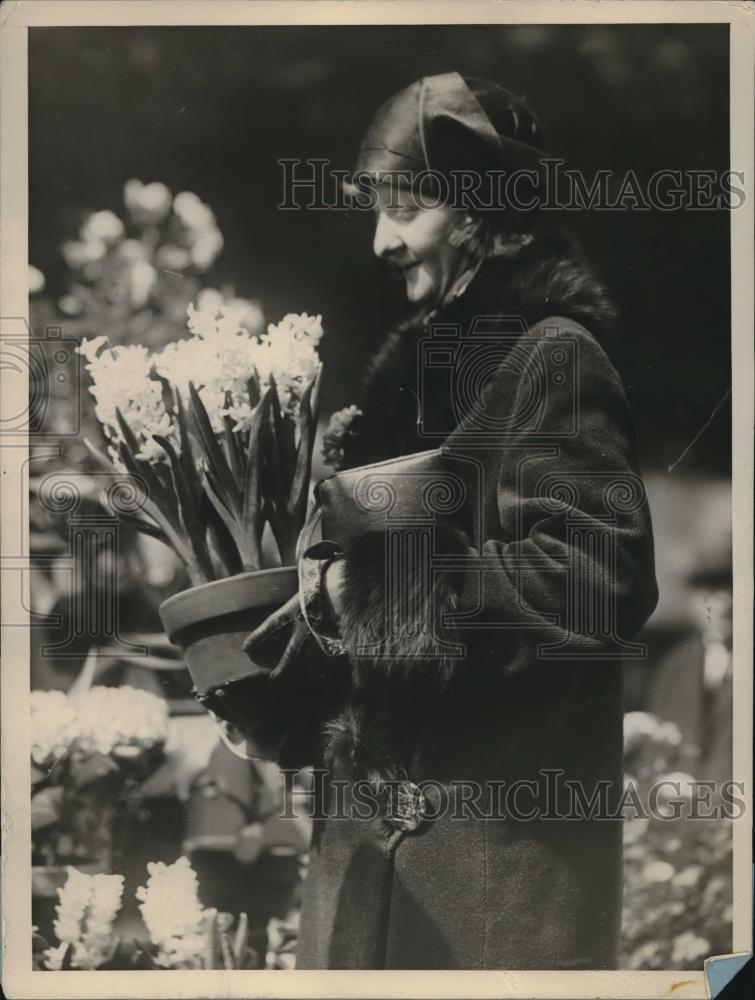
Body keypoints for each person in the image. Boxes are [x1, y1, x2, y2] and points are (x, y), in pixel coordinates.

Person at [212, 72, 659, 970]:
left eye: (404, 209)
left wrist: (372, 589)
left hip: (488, 886)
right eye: (375, 211)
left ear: (474, 212)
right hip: (380, 878)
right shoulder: (426, 383)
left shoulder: (552, 356)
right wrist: (277, 670)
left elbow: (594, 580)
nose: (380, 240)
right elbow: (390, 645)